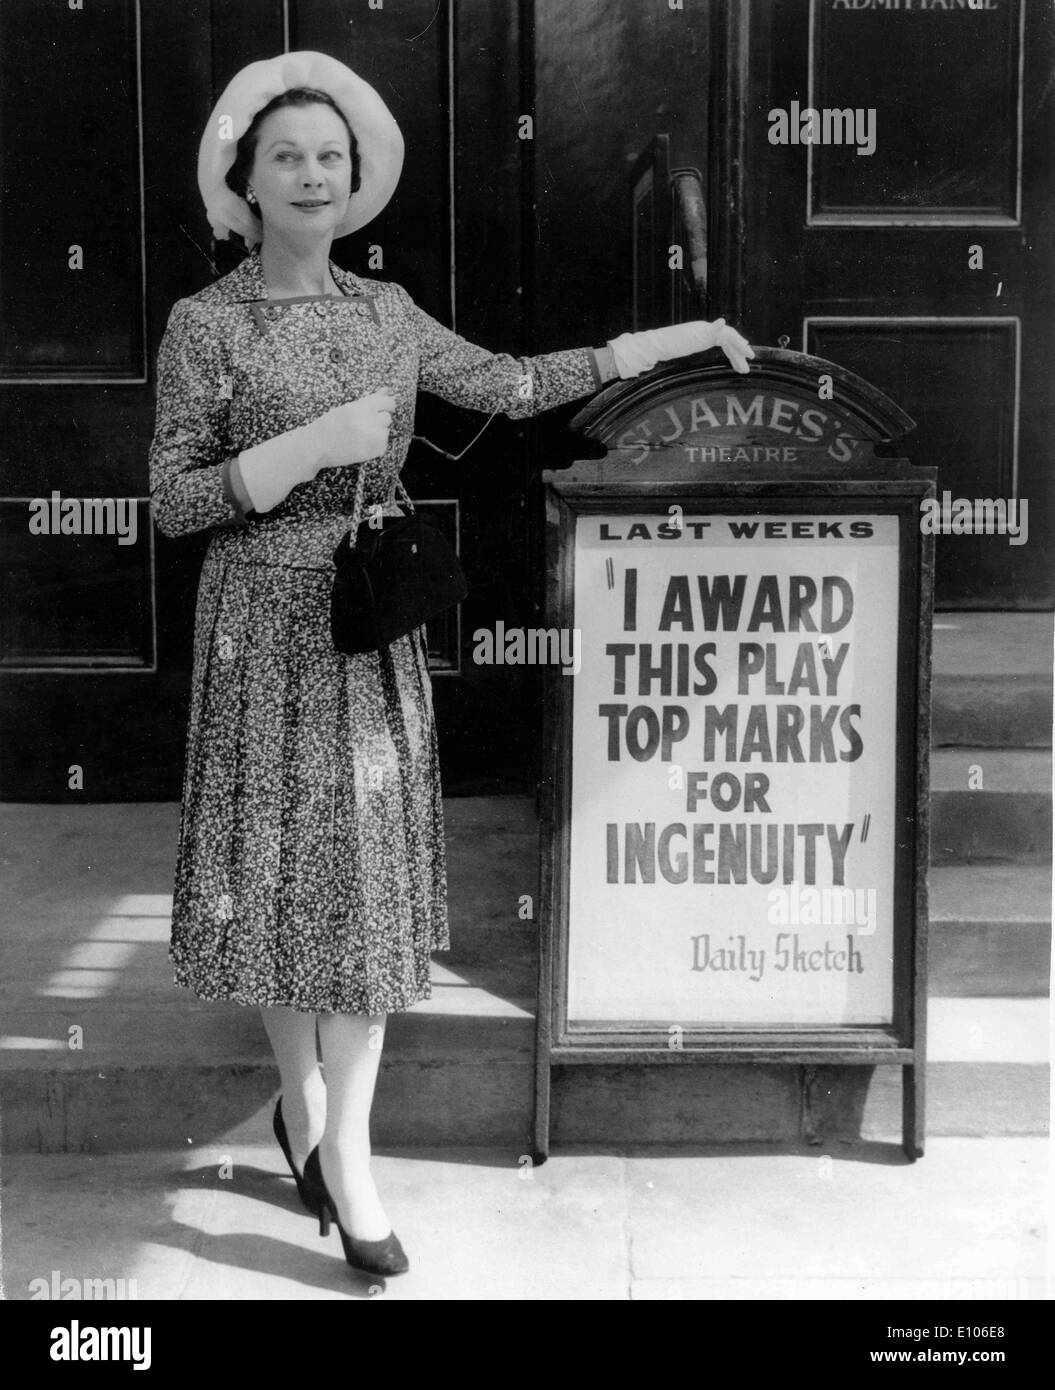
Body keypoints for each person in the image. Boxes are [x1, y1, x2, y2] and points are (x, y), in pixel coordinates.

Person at [149, 49, 754, 1280]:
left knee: (358, 894)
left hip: (366, 629)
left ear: (353, 178)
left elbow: (516, 384)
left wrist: (665, 340)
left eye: (331, 156)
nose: (312, 174)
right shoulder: (203, 327)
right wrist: (311, 442)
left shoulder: (385, 311)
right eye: (287, 158)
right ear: (247, 185)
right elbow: (169, 501)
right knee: (276, 882)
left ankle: (350, 1153)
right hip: (258, 627)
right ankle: (300, 1108)